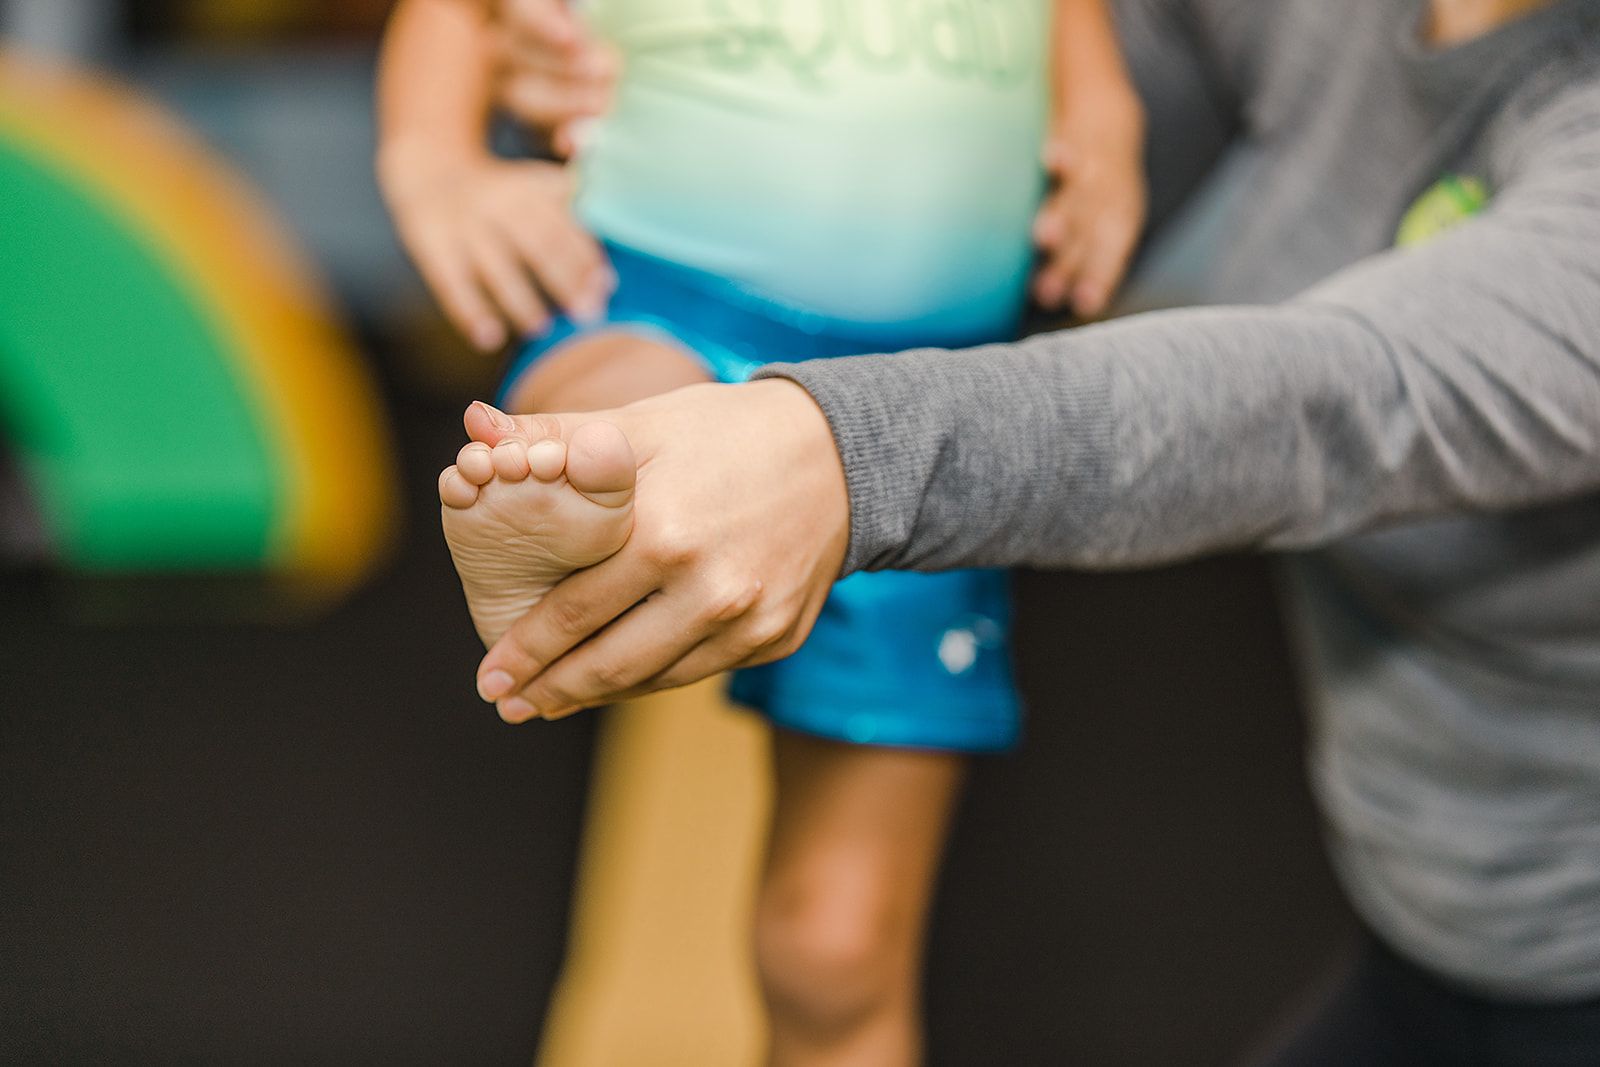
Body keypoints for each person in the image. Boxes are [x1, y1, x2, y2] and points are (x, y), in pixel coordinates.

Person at [442, 0, 1600, 1061]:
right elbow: (988, 116)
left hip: (1562, 964)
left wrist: (845, 453)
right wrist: (631, 71)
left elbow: (1334, 397)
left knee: (831, 942)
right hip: (1423, 925)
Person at [377, 1, 1148, 1062]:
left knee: (832, 947)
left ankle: (593, 507)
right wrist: (435, 161)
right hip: (664, 297)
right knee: (633, 408)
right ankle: (576, 497)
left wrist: (1103, 130)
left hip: (925, 417)